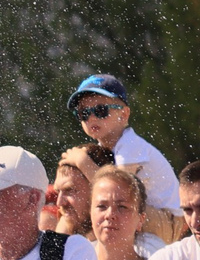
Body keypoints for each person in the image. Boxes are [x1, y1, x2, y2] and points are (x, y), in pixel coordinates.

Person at [70, 74, 184, 243]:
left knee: (110, 202)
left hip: (167, 221)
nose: (91, 118)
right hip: (152, 215)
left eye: (101, 111)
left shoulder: (129, 144)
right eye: (84, 113)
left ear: (124, 114)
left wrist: (82, 162)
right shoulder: (111, 148)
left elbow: (117, 190)